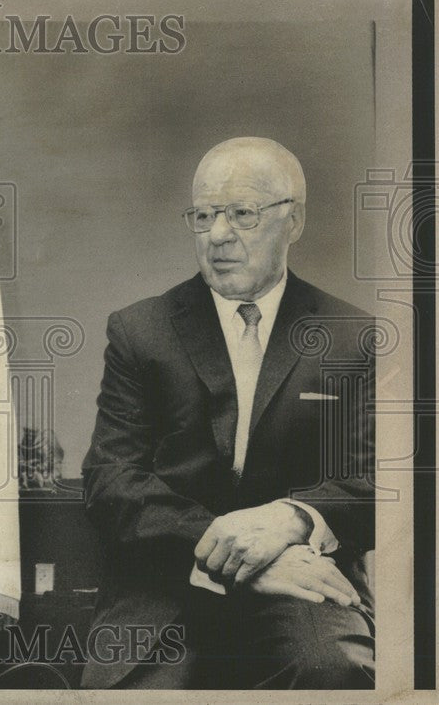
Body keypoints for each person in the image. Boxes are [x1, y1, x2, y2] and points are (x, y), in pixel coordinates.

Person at [80, 138, 376, 689]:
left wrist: (289, 521)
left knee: (336, 672)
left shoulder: (353, 339)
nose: (218, 235)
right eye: (204, 215)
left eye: (242, 214)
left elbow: (378, 480)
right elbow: (110, 481)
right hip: (166, 578)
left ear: (294, 221)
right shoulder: (140, 331)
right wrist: (239, 553)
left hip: (305, 582)